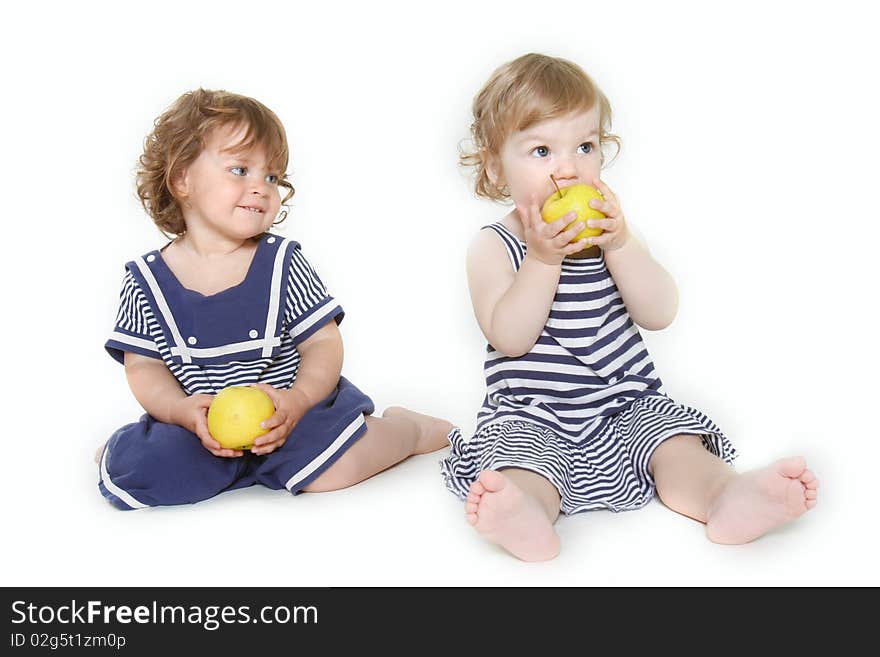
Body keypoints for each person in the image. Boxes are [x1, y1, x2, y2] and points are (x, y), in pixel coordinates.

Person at [440, 53, 819, 561]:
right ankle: (525, 513)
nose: (568, 167)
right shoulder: (494, 246)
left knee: (675, 444)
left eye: (584, 145)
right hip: (533, 416)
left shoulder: (612, 235)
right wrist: (543, 259)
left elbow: (660, 311)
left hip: (625, 408)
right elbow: (510, 337)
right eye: (541, 151)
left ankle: (724, 496)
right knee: (520, 463)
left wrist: (621, 247)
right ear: (495, 167)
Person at [98, 88, 452, 510]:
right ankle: (132, 453)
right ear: (182, 179)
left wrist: (298, 399)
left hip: (291, 418)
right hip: (201, 428)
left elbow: (321, 342)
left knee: (334, 469)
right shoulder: (147, 281)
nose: (261, 188)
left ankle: (403, 431)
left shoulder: (282, 262)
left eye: (271, 177)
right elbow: (145, 367)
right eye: (240, 169)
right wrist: (178, 410)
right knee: (144, 469)